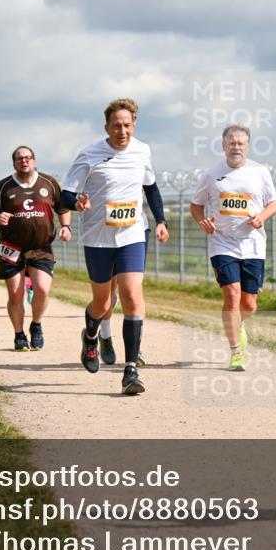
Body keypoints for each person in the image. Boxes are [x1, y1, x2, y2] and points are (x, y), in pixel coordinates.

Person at [61, 98, 169, 395]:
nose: (122, 131)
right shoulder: (89, 154)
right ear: (106, 127)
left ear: (134, 124)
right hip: (98, 237)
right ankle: (91, 335)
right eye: (116, 126)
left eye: (127, 125)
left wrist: (160, 220)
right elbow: (66, 194)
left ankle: (130, 370)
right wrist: (77, 201)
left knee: (132, 295)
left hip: (133, 233)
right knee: (104, 304)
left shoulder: (142, 150)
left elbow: (151, 187)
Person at [191, 124, 276, 371]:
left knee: (249, 304)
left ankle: (237, 324)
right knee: (231, 294)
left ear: (248, 146)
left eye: (241, 143)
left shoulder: (260, 172)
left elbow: (274, 202)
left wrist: (262, 216)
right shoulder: (211, 174)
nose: (236, 147)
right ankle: (236, 352)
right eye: (232, 142)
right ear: (223, 146)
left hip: (253, 244)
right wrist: (202, 221)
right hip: (222, 242)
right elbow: (196, 205)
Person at [0, 146, 72, 351]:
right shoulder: (4, 186)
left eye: (28, 158)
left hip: (41, 247)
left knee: (42, 289)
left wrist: (66, 227)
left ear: (34, 161)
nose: (24, 161)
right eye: (19, 158)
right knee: (15, 294)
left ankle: (36, 325)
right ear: (14, 163)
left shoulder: (48, 182)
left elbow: (63, 208)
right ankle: (19, 334)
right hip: (11, 247)